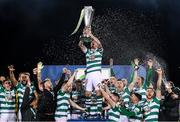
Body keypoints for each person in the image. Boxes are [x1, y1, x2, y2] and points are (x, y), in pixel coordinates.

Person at [78, 26, 103, 114]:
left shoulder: (100, 51)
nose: (93, 43)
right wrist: (83, 36)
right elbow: (80, 45)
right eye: (92, 42)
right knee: (87, 93)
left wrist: (90, 34)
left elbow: (99, 43)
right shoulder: (87, 52)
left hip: (96, 73)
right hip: (89, 74)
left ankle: (99, 111)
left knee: (98, 91)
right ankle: (87, 111)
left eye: (94, 42)